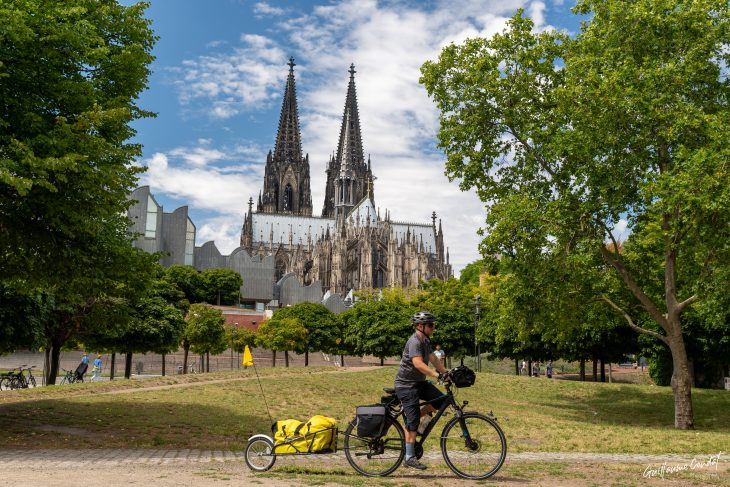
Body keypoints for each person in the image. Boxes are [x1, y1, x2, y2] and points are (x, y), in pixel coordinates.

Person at [394, 311, 449, 471]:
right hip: (406, 385)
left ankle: (416, 423)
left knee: (442, 401)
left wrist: (445, 372)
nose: (433, 328)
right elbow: (418, 364)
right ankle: (409, 457)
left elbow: (432, 358)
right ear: (420, 326)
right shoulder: (414, 342)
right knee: (412, 421)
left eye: (433, 325)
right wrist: (436, 375)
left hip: (419, 383)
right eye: (430, 325)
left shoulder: (424, 341)